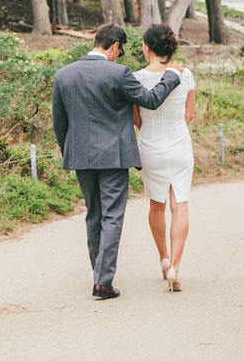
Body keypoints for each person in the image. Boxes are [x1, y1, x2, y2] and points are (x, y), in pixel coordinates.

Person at [52, 23, 183, 300]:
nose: (119, 56)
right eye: (119, 51)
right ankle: (103, 281)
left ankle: (99, 275)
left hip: (80, 157)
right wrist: (171, 76)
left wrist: (71, 152)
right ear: (114, 46)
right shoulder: (119, 73)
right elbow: (150, 100)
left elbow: (59, 122)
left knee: (94, 215)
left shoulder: (63, 75)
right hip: (114, 157)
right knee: (112, 217)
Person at [132, 24, 195, 293]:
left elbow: (135, 118)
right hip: (179, 143)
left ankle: (164, 258)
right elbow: (189, 115)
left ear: (147, 47)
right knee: (179, 204)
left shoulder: (136, 78)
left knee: (156, 205)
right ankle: (176, 267)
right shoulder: (186, 74)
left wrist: (149, 130)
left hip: (151, 145)